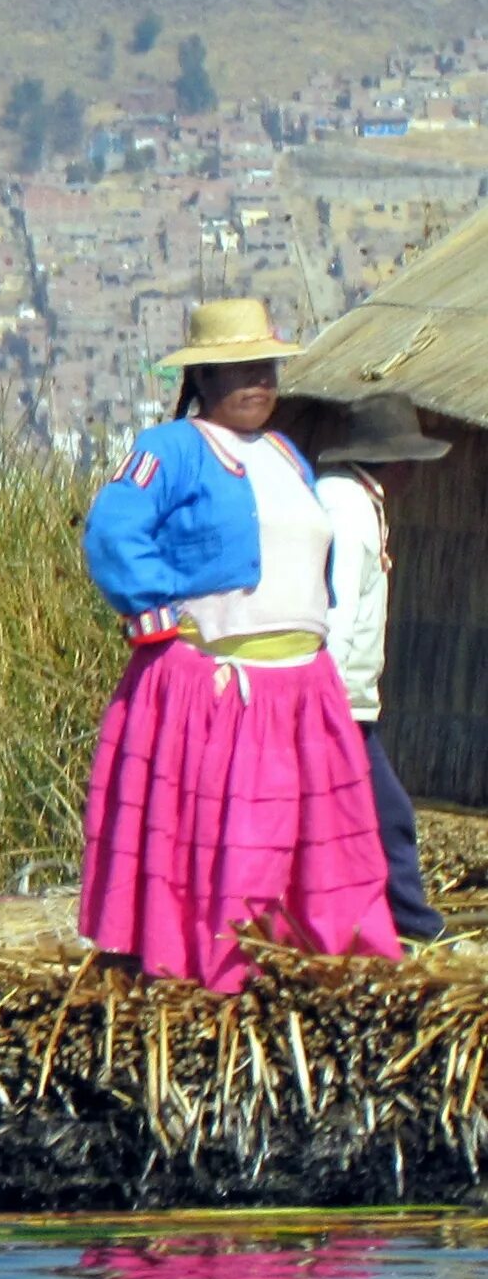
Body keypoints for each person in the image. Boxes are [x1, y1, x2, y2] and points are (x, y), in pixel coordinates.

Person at [79, 298, 397, 993]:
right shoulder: (173, 450)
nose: (259, 381)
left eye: (267, 367)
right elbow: (113, 530)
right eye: (240, 370)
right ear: (204, 379)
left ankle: (327, 957)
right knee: (236, 839)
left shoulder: (285, 454)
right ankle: (218, 962)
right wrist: (160, 617)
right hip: (222, 684)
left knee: (326, 834)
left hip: (301, 685)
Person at [316, 391, 448, 943]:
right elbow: (339, 608)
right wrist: (329, 699)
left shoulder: (352, 500)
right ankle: (414, 926)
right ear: (397, 463)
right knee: (389, 816)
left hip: (344, 696)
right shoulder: (348, 511)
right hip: (337, 697)